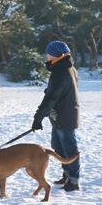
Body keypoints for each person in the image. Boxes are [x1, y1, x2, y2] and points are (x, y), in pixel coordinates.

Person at [31, 40, 80, 192]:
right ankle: (67, 174)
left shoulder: (61, 72)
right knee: (57, 147)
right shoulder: (66, 68)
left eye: (49, 54)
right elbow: (58, 93)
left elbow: (51, 98)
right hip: (59, 116)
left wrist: (38, 118)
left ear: (56, 55)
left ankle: (74, 181)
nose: (47, 56)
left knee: (69, 149)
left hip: (65, 116)